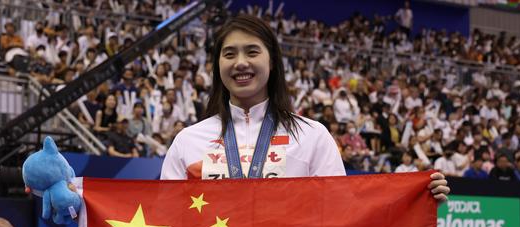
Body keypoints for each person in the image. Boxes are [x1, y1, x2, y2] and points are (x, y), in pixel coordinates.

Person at [160, 15, 449, 199]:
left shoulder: (312, 136)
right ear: (217, 65)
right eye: (229, 54)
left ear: (272, 63)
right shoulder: (188, 141)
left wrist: (416, 197)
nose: (240, 63)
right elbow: (167, 219)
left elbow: (343, 215)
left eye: (252, 52)